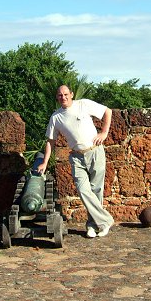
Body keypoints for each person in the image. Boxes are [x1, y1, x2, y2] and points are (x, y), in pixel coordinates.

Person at [36, 85, 115, 238]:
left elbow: (107, 111)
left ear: (71, 94)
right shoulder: (56, 117)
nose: (63, 97)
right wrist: (45, 162)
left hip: (95, 151)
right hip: (76, 157)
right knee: (83, 190)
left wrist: (104, 132)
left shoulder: (83, 104)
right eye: (60, 95)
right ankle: (106, 221)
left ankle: (93, 225)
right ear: (57, 97)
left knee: (96, 191)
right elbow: (50, 141)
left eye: (66, 94)